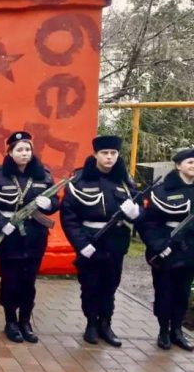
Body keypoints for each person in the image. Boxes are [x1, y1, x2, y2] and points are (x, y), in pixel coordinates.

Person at [0, 131, 60, 343]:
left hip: (35, 237)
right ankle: (11, 321)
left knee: (29, 281)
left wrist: (50, 204)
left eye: (27, 149)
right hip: (8, 237)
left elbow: (56, 201)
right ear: (10, 152)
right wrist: (1, 224)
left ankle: (25, 321)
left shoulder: (43, 175)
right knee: (10, 280)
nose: (24, 153)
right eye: (19, 149)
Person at [60, 135, 139, 347]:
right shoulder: (80, 181)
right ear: (95, 154)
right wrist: (81, 244)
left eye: (113, 153)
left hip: (116, 243)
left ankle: (106, 324)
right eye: (105, 153)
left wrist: (136, 213)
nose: (109, 157)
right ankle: (91, 324)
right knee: (90, 286)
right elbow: (69, 217)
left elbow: (139, 207)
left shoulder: (124, 181)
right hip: (90, 241)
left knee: (110, 285)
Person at [138, 147, 194, 351]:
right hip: (167, 249)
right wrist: (158, 245)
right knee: (164, 292)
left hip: (190, 251)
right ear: (178, 165)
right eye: (190, 162)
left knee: (183, 293)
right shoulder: (162, 190)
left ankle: (177, 331)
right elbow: (149, 223)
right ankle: (163, 331)